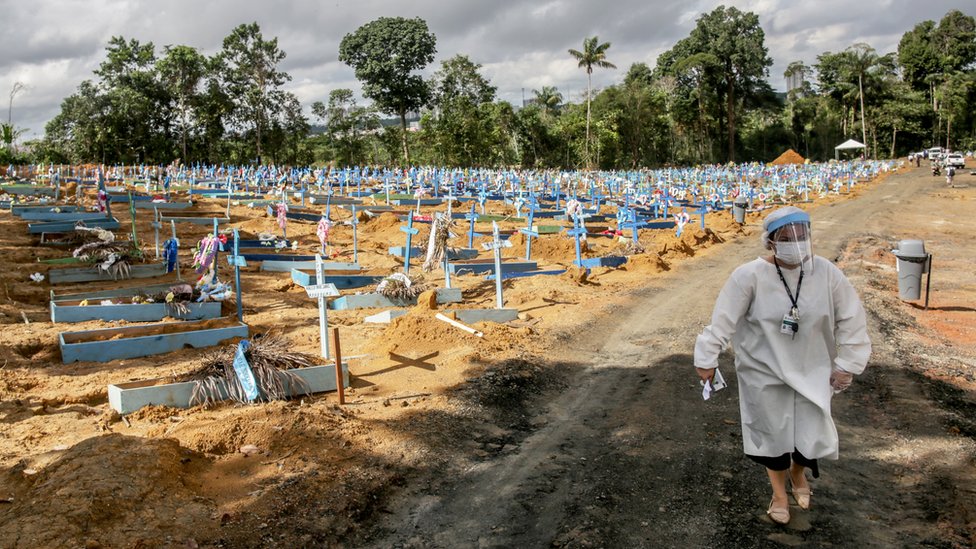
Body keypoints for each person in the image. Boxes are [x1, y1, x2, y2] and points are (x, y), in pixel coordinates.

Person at [694, 206, 871, 525]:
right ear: (771, 242)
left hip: (811, 368)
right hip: (764, 371)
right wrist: (707, 358)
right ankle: (778, 494)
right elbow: (722, 320)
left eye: (802, 235)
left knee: (810, 434)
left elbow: (852, 318)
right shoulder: (748, 276)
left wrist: (848, 363)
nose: (796, 242)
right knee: (772, 436)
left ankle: (798, 474)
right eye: (786, 237)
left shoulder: (827, 273)